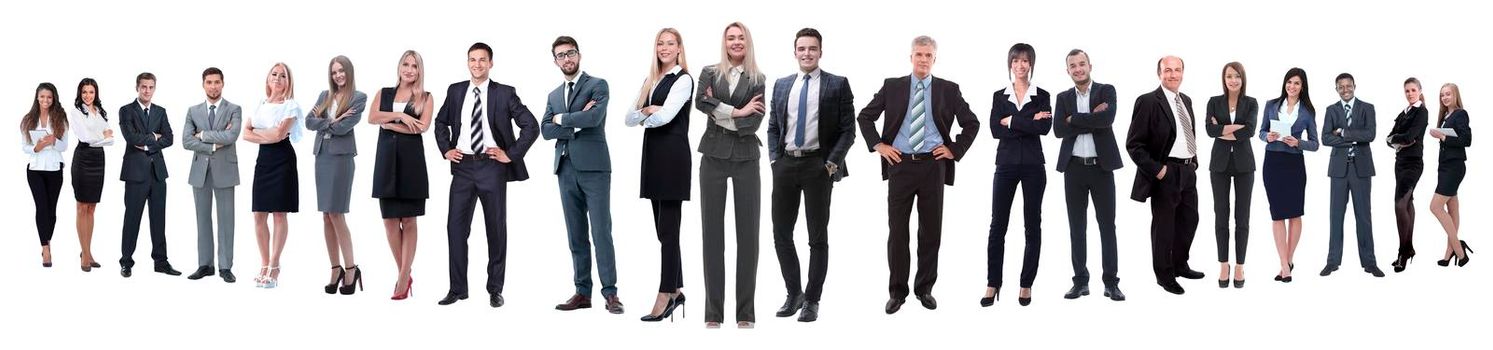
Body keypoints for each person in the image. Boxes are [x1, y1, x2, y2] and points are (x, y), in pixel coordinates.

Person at [856, 35, 980, 314]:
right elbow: (865, 116)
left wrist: (953, 149)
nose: (923, 59)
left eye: (928, 55)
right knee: (897, 231)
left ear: (935, 59)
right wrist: (879, 145)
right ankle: (897, 292)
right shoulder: (893, 86)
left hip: (932, 166)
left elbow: (972, 123)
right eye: (919, 54)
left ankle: (924, 289)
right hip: (899, 164)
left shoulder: (948, 89)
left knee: (930, 231)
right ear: (910, 57)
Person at [435, 42, 539, 309]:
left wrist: (511, 154)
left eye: (482, 60)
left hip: (492, 167)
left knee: (495, 229)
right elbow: (440, 122)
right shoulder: (456, 90)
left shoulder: (504, 93)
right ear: (467, 62)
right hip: (462, 167)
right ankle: (457, 289)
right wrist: (446, 149)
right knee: (455, 229)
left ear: (491, 63)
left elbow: (531, 125)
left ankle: (495, 289)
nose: (477, 65)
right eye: (472, 60)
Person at [767, 27, 854, 323]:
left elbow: (848, 130)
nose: (807, 53)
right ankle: (794, 294)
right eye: (802, 48)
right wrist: (774, 160)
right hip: (785, 165)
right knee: (781, 233)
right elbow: (773, 127)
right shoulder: (780, 85)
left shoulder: (837, 84)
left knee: (817, 237)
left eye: (812, 48)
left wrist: (830, 164)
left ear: (820, 51)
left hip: (819, 166)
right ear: (795, 52)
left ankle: (812, 299)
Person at [541, 36, 624, 314]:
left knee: (601, 232)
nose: (567, 59)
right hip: (565, 169)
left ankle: (610, 293)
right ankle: (582, 292)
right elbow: (544, 130)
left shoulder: (597, 85)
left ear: (579, 54)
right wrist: (573, 121)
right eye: (561, 55)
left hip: (595, 169)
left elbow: (594, 119)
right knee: (576, 235)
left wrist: (561, 118)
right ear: (555, 61)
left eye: (571, 53)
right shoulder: (553, 95)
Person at [695, 22, 766, 329]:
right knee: (712, 235)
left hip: (746, 158)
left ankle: (745, 312)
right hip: (712, 157)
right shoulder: (709, 72)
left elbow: (754, 124)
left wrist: (718, 109)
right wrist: (737, 111)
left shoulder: (758, 78)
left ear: (748, 43)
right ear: (724, 43)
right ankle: (713, 312)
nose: (736, 42)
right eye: (731, 38)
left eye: (741, 38)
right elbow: (701, 102)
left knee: (748, 236)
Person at [625, 28, 693, 323]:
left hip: (673, 158)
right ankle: (677, 289)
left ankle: (665, 294)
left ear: (679, 49)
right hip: (653, 158)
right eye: (660, 44)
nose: (664, 48)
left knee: (668, 231)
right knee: (661, 231)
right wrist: (649, 110)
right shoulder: (650, 79)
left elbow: (665, 117)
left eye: (670, 44)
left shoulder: (684, 79)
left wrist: (649, 111)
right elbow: (628, 118)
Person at [1124, 56, 1202, 295]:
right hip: (1165, 172)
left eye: (1177, 70)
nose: (1173, 74)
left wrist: (1194, 161)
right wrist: (1159, 170)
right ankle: (1164, 275)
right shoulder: (1148, 101)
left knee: (1190, 221)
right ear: (1159, 73)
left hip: (1188, 171)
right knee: (1164, 227)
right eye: (1167, 70)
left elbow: (1189, 133)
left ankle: (1180, 264)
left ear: (1183, 73)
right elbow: (1134, 145)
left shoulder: (1186, 100)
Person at [1053, 49, 1125, 300]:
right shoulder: (1062, 97)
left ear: (1090, 66)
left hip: (1101, 168)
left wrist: (1076, 119)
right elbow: (1059, 129)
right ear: (1068, 70)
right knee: (1077, 227)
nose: (1078, 69)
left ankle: (1111, 282)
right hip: (1073, 168)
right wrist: (1090, 117)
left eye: (1082, 64)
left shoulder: (1107, 90)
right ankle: (1080, 281)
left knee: (1107, 226)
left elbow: (1107, 119)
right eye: (1073, 66)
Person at [985, 43, 1051, 307]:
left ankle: (1026, 284)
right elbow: (994, 130)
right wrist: (1028, 121)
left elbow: (1044, 127)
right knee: (997, 225)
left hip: (1034, 166)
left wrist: (1010, 121)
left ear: (1031, 64)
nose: (1021, 65)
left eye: (1025, 61)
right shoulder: (999, 95)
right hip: (1006, 165)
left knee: (1032, 225)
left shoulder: (1043, 94)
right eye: (1016, 61)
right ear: (1010, 63)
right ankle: (993, 282)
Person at [368, 50, 434, 300]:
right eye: (405, 64)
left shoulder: (426, 97)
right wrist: (402, 115)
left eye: (414, 66)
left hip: (411, 163)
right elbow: (373, 117)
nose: (409, 69)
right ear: (399, 67)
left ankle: (403, 277)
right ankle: (404, 272)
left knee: (409, 220)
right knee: (389, 222)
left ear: (419, 71)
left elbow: (422, 128)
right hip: (385, 162)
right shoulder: (384, 93)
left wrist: (390, 124)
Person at [305, 56, 368, 294]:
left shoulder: (358, 97)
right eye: (334, 72)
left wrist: (330, 121)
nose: (338, 75)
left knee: (337, 213)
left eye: (341, 71)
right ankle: (335, 268)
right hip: (322, 157)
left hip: (341, 159)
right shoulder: (324, 96)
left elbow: (344, 128)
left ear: (349, 72)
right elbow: (309, 122)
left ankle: (351, 268)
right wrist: (335, 118)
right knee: (325, 215)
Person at [242, 62, 304, 289]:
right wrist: (266, 134)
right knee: (259, 214)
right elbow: (245, 135)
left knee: (279, 213)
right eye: (274, 74)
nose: (278, 78)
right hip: (264, 160)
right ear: (268, 78)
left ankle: (275, 265)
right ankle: (264, 263)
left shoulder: (291, 106)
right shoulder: (260, 103)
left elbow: (279, 135)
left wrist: (261, 133)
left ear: (289, 82)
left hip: (282, 160)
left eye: (283, 76)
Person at [1258, 68, 1319, 283]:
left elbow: (1315, 144)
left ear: (1303, 87)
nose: (1292, 86)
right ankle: (1283, 264)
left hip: (1294, 164)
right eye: (1289, 82)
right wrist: (1269, 137)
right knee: (1277, 214)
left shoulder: (1308, 112)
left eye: (1297, 83)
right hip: (1273, 163)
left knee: (1294, 214)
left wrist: (1298, 142)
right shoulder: (1271, 105)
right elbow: (1261, 132)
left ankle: (1289, 259)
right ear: (1285, 83)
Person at [182, 67, 242, 283]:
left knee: (226, 219)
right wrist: (214, 145)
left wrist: (203, 135)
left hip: (226, 170)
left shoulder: (234, 109)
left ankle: (225, 267)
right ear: (203, 84)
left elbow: (232, 135)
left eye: (217, 82)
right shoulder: (193, 111)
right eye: (209, 82)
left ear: (223, 84)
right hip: (200, 171)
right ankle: (205, 264)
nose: (213, 86)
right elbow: (186, 141)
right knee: (202, 219)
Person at [1321, 73, 1383, 277]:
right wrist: (1354, 139)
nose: (1345, 89)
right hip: (1339, 170)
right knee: (1335, 216)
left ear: (1355, 86)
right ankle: (1332, 261)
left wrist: (1344, 133)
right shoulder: (1331, 110)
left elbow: (1370, 134)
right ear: (1336, 89)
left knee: (1364, 216)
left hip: (1361, 169)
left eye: (1348, 85)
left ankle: (1370, 263)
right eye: (1341, 86)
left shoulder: (1367, 108)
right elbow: (1326, 138)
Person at [118, 72, 180, 278]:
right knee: (132, 219)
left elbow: (170, 138)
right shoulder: (126, 110)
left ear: (155, 88)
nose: (147, 90)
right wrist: (154, 136)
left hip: (158, 173)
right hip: (135, 174)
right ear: (137, 87)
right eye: (143, 87)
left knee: (158, 219)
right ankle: (126, 262)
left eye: (151, 87)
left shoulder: (160, 112)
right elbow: (130, 137)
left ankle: (161, 262)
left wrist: (145, 141)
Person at [1204, 62, 1257, 288]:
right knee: (1221, 215)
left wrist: (1222, 128)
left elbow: (1251, 130)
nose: (1233, 80)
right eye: (1229, 76)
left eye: (1237, 76)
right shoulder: (1214, 102)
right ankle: (1224, 264)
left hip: (1245, 165)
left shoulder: (1251, 102)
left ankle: (1240, 266)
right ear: (1223, 79)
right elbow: (1209, 130)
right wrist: (1236, 127)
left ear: (1243, 79)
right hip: (1219, 165)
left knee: (1242, 217)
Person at [21, 82, 69, 268]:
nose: (45, 100)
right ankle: (46, 248)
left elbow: (64, 146)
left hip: (55, 169)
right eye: (42, 97)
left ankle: (46, 239)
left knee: (51, 211)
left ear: (53, 98)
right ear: (37, 97)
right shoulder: (28, 119)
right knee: (41, 208)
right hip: (35, 170)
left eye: (49, 97)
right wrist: (36, 147)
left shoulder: (60, 118)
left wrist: (54, 141)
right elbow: (24, 146)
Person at [67, 78, 112, 272]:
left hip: (98, 160)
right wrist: (103, 137)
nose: (88, 96)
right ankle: (84, 254)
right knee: (81, 207)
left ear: (96, 94)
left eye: (91, 92)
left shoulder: (100, 111)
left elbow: (112, 138)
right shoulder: (76, 112)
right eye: (84, 92)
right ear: (80, 93)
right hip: (83, 158)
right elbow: (85, 137)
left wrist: (104, 137)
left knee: (92, 208)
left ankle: (88, 251)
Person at [1385, 77, 1429, 272]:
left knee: (1399, 204)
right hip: (1399, 163)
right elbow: (1388, 138)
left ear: (1419, 91)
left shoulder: (1422, 111)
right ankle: (1409, 249)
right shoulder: (1404, 113)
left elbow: (1411, 136)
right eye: (1407, 91)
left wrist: (1399, 139)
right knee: (1408, 202)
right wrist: (1399, 139)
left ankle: (1403, 251)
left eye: (1413, 90)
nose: (1410, 94)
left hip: (1413, 164)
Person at [1429, 83, 1473, 267]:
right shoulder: (1445, 116)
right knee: (1452, 209)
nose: (1445, 98)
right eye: (1442, 95)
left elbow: (1466, 140)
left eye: (1448, 94)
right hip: (1444, 167)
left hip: (1454, 168)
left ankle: (1459, 251)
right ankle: (1449, 252)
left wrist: (1443, 136)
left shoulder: (1460, 114)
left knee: (1435, 207)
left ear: (1455, 95)